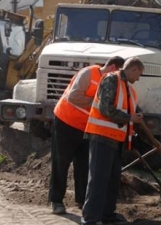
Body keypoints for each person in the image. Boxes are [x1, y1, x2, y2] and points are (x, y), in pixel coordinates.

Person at [49, 56, 125, 214]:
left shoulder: (110, 83)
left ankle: (82, 200)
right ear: (112, 67)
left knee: (83, 165)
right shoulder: (88, 74)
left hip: (86, 128)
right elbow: (73, 97)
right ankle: (56, 200)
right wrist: (98, 102)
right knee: (61, 162)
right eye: (118, 72)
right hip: (66, 121)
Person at [80, 57, 145, 225]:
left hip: (115, 139)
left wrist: (134, 119)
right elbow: (105, 109)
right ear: (133, 69)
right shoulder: (111, 80)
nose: (139, 78)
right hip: (101, 136)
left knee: (112, 178)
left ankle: (107, 214)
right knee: (98, 179)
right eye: (139, 73)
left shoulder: (127, 88)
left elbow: (127, 110)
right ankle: (90, 219)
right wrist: (130, 118)